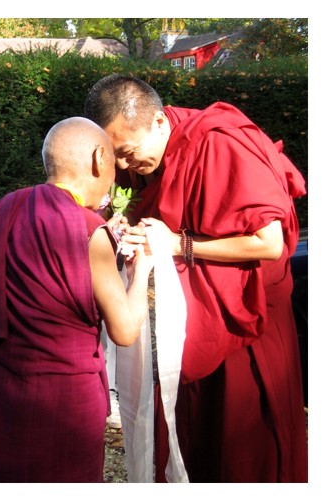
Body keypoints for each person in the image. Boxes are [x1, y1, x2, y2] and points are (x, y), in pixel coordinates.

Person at [84, 74, 308, 483]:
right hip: (193, 321)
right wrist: (129, 226)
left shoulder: (217, 142)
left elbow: (269, 242)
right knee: (193, 440)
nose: (122, 167)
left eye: (128, 153)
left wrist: (178, 244)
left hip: (249, 324)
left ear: (157, 122)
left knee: (245, 447)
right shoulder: (150, 156)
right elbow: (164, 206)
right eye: (114, 156)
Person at [0, 116, 153, 483]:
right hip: (62, 405)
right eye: (113, 165)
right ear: (98, 159)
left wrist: (101, 233)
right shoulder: (87, 230)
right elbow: (125, 330)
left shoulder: (2, 210)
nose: (114, 179)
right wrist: (142, 268)